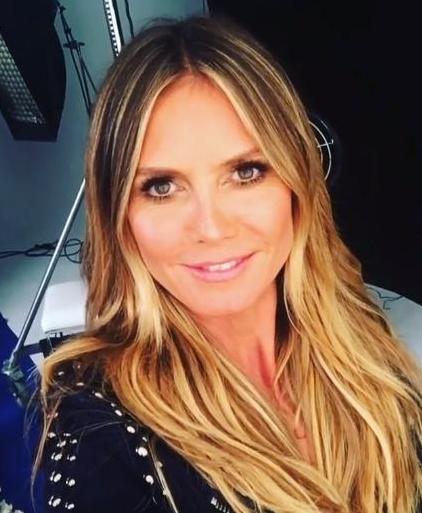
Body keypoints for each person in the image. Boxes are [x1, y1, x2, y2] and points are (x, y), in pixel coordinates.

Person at [30, 14, 422, 513]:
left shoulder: (363, 338)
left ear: (297, 183)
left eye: (247, 171)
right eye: (161, 187)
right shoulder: (97, 433)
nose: (211, 228)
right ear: (119, 217)